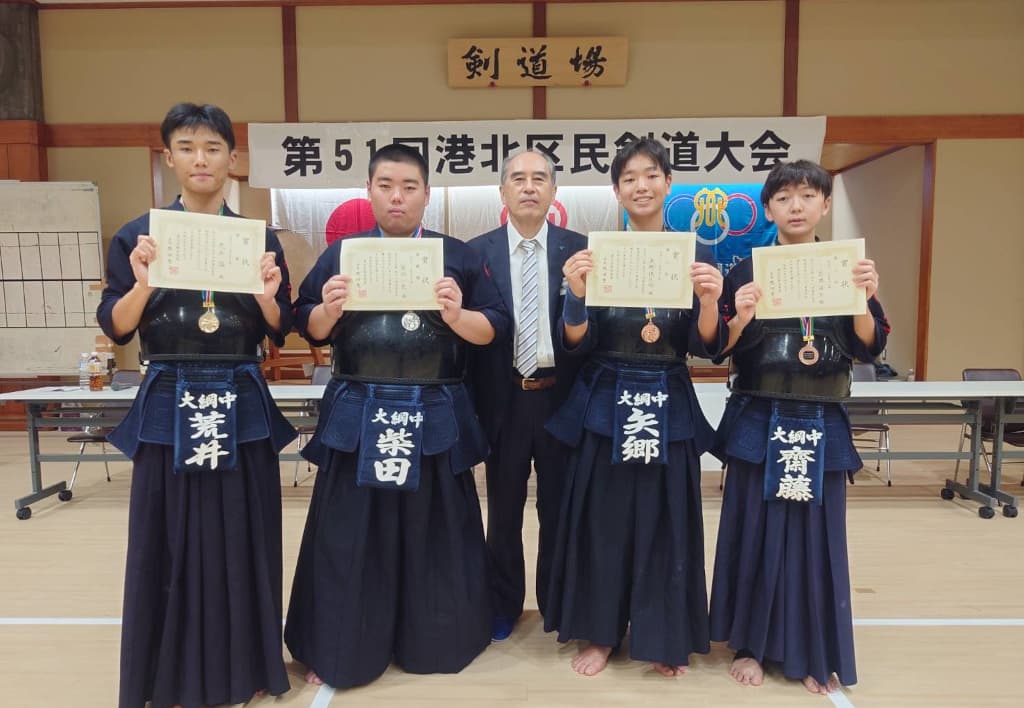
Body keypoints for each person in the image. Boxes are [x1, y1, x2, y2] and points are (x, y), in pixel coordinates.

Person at [284, 144, 510, 690]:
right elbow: (305, 323)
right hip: (359, 410)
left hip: (434, 412)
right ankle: (338, 642)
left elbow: (495, 327)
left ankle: (439, 639)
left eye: (409, 187)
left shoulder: (456, 256)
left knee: (437, 532)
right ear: (369, 191)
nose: (397, 197)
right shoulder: (342, 255)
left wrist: (458, 315)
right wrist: (328, 309)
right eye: (386, 185)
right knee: (349, 533)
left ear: (426, 195)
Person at [96, 102, 296, 708]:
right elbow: (117, 326)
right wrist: (144, 283)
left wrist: (267, 294)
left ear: (232, 159)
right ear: (169, 158)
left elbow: (280, 328)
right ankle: (165, 674)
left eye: (213, 148)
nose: (201, 159)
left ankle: (248, 666)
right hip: (168, 393)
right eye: (187, 148)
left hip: (240, 392)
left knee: (246, 534)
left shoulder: (257, 237)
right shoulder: (139, 236)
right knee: (165, 537)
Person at [543, 138, 725, 677]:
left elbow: (705, 345)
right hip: (606, 396)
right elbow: (575, 342)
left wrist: (710, 301)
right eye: (629, 178)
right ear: (616, 190)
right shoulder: (598, 253)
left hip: (667, 394)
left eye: (650, 175)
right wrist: (576, 293)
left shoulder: (696, 254)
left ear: (668, 183)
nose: (640, 186)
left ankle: (663, 636)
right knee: (603, 520)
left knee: (667, 521)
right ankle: (600, 634)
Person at [708, 159, 889, 695]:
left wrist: (863, 297)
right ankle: (750, 645)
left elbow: (870, 346)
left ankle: (814, 649)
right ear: (768, 209)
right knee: (754, 530)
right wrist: (739, 316)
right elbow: (717, 348)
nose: (795, 206)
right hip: (758, 412)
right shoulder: (746, 270)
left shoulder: (846, 266)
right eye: (783, 198)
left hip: (820, 414)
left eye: (808, 196)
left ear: (825, 205)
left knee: (817, 537)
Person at [467, 150, 587, 641]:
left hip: (561, 398)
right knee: (504, 512)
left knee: (558, 510)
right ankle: (503, 604)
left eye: (540, 178)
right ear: (502, 191)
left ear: (554, 191)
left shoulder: (580, 250)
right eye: (518, 178)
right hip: (505, 398)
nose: (529, 187)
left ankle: (557, 605)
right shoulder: (475, 254)